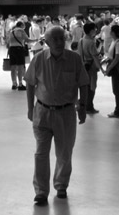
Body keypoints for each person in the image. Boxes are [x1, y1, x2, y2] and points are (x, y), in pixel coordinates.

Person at [25, 26, 88, 205]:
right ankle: (41, 191)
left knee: (64, 153)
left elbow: (83, 83)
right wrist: (30, 108)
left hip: (66, 113)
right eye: (56, 40)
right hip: (42, 112)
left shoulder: (74, 59)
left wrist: (82, 106)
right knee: (41, 154)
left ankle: (61, 185)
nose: (60, 42)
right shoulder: (38, 59)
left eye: (62, 38)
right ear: (47, 42)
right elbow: (30, 83)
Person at [103, 24, 119, 118]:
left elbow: (117, 58)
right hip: (114, 67)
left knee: (116, 90)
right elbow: (111, 56)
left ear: (113, 32)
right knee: (116, 90)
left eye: (111, 31)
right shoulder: (114, 41)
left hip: (117, 69)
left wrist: (109, 68)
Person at [78, 22, 102, 114]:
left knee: (85, 87)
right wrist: (100, 68)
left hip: (83, 66)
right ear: (91, 30)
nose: (96, 31)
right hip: (91, 67)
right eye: (95, 29)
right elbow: (95, 57)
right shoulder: (91, 42)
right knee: (92, 87)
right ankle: (89, 106)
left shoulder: (81, 40)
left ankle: (83, 105)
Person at [7, 21, 35, 90]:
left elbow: (7, 43)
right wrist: (36, 40)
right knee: (20, 67)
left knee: (13, 67)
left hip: (11, 49)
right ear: (22, 25)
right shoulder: (21, 31)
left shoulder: (11, 31)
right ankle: (20, 84)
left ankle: (14, 84)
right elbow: (27, 40)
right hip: (19, 49)